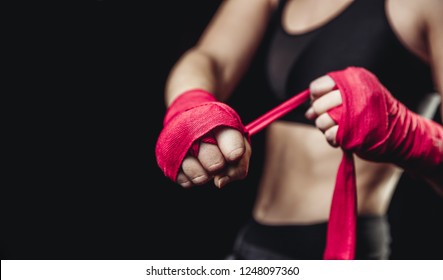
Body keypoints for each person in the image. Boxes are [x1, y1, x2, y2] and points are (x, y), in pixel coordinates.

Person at [155, 0, 443, 259]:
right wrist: (190, 105)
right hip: (254, 241)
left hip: (341, 251)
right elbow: (211, 59)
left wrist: (409, 136)